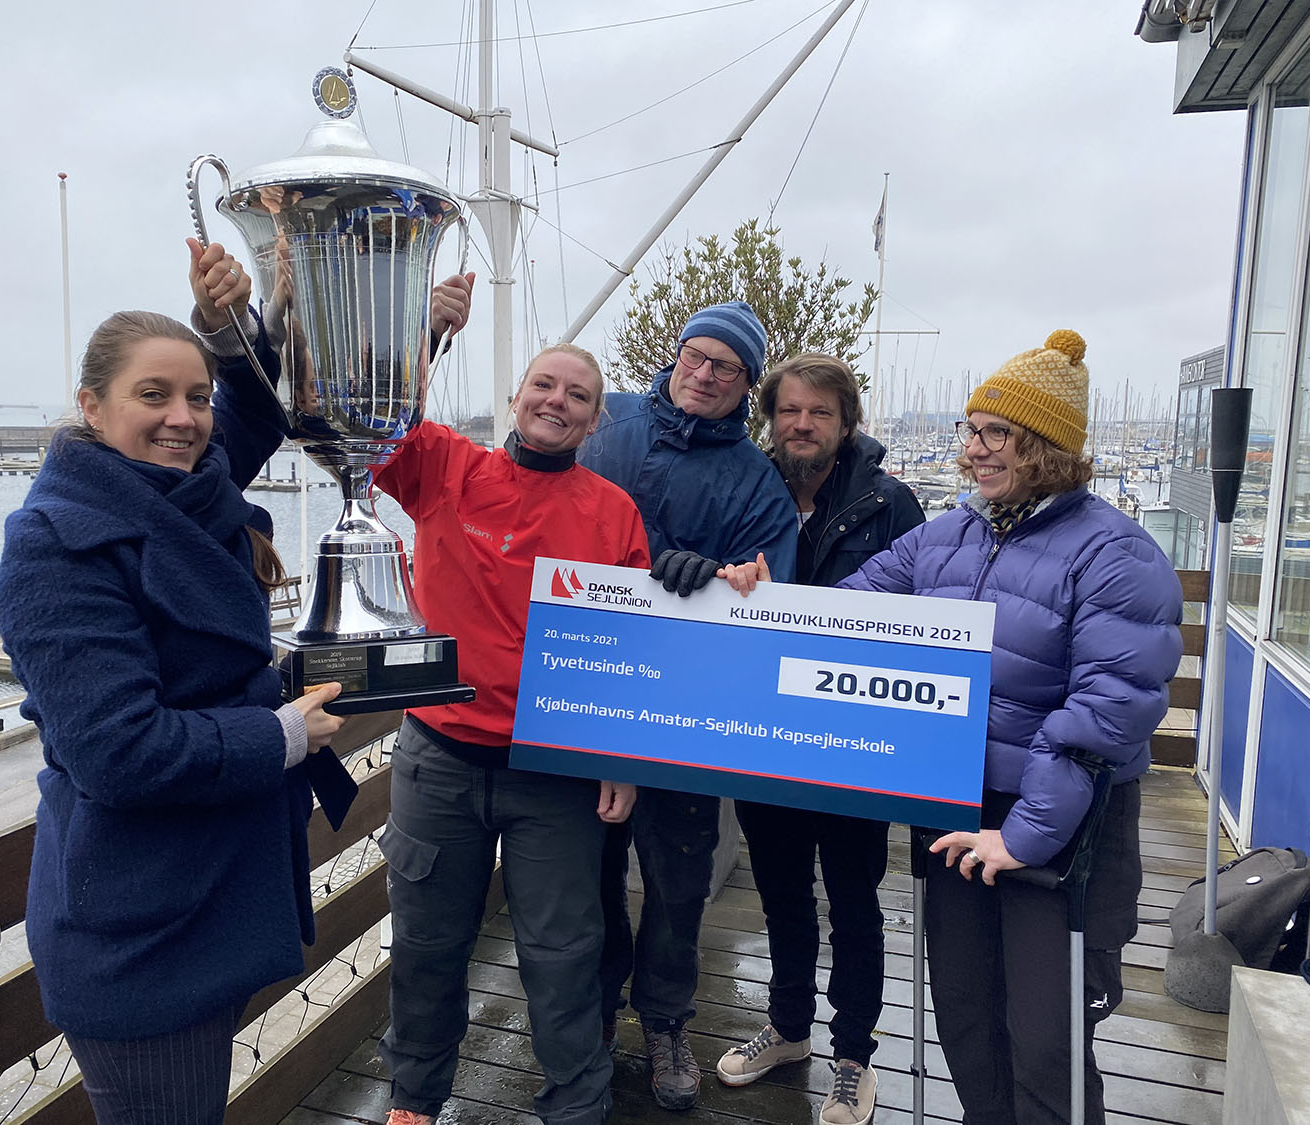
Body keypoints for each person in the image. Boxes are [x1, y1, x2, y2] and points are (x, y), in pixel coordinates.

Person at [0, 243, 351, 1124]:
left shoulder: (182, 492)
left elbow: (253, 414)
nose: (183, 419)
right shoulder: (56, 544)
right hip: (141, 933)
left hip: (211, 897)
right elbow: (120, 751)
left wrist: (233, 325)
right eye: (152, 395)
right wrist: (282, 734)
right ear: (92, 405)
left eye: (196, 396)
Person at [834, 330, 1183, 1123]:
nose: (973, 449)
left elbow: (1108, 709)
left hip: (1066, 826)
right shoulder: (947, 534)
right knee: (966, 1015)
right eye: (971, 429)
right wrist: (753, 592)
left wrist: (1024, 836)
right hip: (958, 808)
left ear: (1046, 446)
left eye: (996, 433)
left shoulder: (1116, 553)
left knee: (1047, 1037)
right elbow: (849, 610)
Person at [372, 328, 652, 1125]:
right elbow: (372, 413)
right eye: (545, 385)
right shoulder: (444, 467)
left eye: (578, 394)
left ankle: (577, 1107)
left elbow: (629, 651)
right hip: (438, 761)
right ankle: (413, 1098)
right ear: (516, 396)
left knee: (564, 956)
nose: (557, 400)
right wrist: (424, 332)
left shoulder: (614, 513)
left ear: (594, 421)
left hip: (554, 775)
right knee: (425, 945)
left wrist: (622, 758)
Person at [577, 300, 798, 1110]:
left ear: (746, 384)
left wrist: (716, 580)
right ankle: (596, 1006)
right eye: (695, 355)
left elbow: (771, 590)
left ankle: (667, 1019)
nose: (704, 374)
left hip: (684, 710)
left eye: (725, 366)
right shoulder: (606, 423)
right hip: (587, 691)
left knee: (678, 881)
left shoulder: (756, 479)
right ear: (675, 355)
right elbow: (531, 496)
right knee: (585, 871)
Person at [715, 353, 923, 1125]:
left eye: (820, 412)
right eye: (790, 410)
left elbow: (926, 619)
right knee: (781, 895)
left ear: (846, 422)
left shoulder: (890, 504)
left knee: (855, 902)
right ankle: (789, 1026)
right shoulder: (745, 492)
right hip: (763, 734)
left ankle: (853, 1055)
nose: (802, 424)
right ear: (771, 417)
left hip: (852, 743)